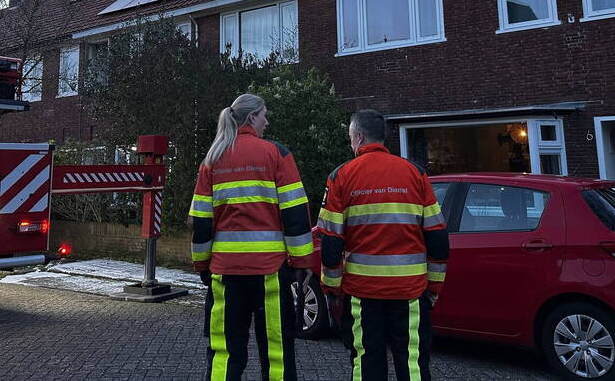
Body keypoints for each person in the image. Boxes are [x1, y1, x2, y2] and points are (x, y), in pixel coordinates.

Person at [189, 93, 314, 381]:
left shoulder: (212, 159)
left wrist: (202, 265)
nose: (267, 121)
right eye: (264, 115)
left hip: (225, 273)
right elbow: (295, 214)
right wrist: (302, 262)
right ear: (251, 117)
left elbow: (201, 221)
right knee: (277, 353)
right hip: (269, 272)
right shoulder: (277, 154)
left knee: (224, 352)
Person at [317, 109, 449, 381]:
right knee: (412, 364)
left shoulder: (340, 176)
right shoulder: (416, 173)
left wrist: (331, 288)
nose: (351, 143)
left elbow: (330, 244)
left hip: (362, 294)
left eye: (351, 138)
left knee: (366, 362)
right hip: (410, 292)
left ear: (360, 137)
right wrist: (433, 287)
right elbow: (437, 238)